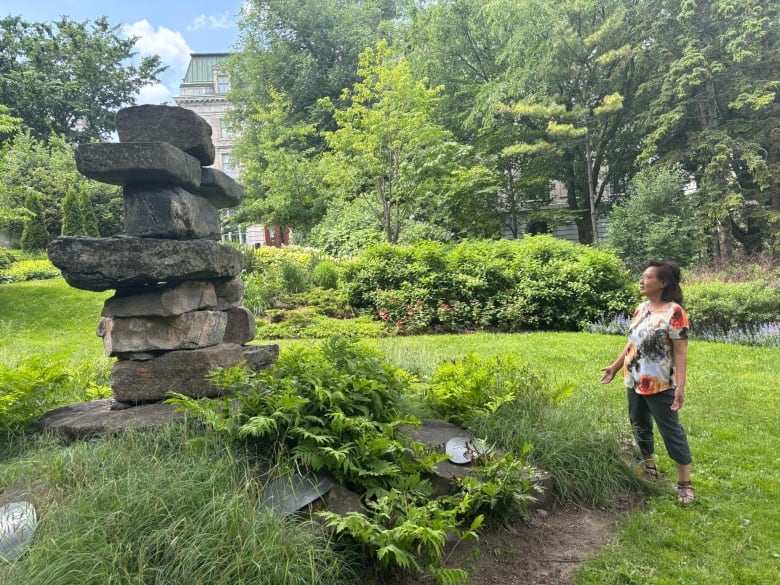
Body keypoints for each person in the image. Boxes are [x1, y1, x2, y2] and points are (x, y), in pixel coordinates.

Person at [600, 260, 694, 504]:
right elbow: (633, 343)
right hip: (633, 379)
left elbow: (681, 352)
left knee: (671, 430)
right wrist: (615, 366)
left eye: (647, 277)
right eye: (642, 277)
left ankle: (684, 483)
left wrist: (680, 386)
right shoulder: (642, 308)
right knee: (639, 424)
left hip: (659, 383)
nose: (641, 280)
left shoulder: (675, 312)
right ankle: (649, 468)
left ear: (663, 283)